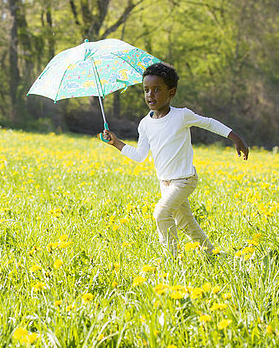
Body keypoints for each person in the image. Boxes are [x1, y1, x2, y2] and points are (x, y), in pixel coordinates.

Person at [102, 62, 249, 257]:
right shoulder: (145, 124)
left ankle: (172, 260)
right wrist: (116, 143)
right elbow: (140, 155)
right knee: (185, 223)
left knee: (161, 213)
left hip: (184, 179)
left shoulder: (182, 116)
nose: (150, 95)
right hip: (165, 183)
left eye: (156, 90)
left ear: (171, 92)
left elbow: (209, 123)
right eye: (146, 90)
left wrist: (236, 138)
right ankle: (212, 255)